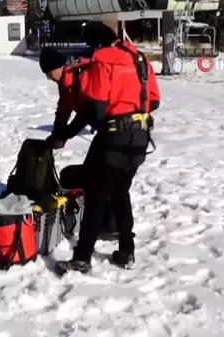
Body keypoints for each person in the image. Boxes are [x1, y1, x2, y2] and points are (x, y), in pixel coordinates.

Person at [52, 21, 160, 275]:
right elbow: (154, 100)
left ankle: (82, 257)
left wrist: (68, 132)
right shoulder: (139, 58)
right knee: (121, 192)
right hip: (141, 138)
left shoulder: (103, 59)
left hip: (114, 137)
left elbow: (97, 107)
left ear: (95, 43)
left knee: (96, 194)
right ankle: (126, 250)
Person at [38, 46, 119, 240]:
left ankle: (111, 226)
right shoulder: (66, 80)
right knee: (97, 174)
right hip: (105, 129)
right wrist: (57, 135)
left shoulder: (82, 75)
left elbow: (89, 112)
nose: (49, 77)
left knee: (102, 175)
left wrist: (66, 135)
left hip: (115, 127)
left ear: (58, 67)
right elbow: (64, 108)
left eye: (49, 73)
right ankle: (108, 223)